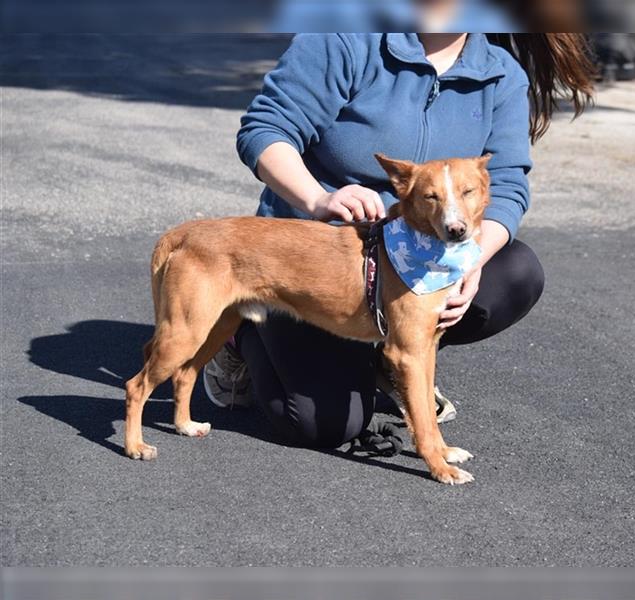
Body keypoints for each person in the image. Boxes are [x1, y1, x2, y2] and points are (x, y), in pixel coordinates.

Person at [202, 33, 594, 448]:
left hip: (420, 256)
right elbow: (266, 129)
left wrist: (472, 259)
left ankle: (396, 358)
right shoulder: (344, 38)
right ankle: (239, 334)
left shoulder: (500, 74)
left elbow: (510, 183)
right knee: (322, 424)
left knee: (517, 272)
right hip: (318, 261)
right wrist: (318, 197)